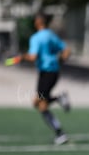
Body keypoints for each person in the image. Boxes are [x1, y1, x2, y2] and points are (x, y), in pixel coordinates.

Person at [21, 12, 71, 145]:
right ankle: (60, 134)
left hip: (46, 73)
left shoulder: (36, 38)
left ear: (38, 22)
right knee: (39, 104)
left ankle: (59, 98)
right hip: (54, 72)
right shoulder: (51, 35)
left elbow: (32, 57)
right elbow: (66, 50)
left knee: (39, 102)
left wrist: (22, 57)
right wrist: (60, 61)